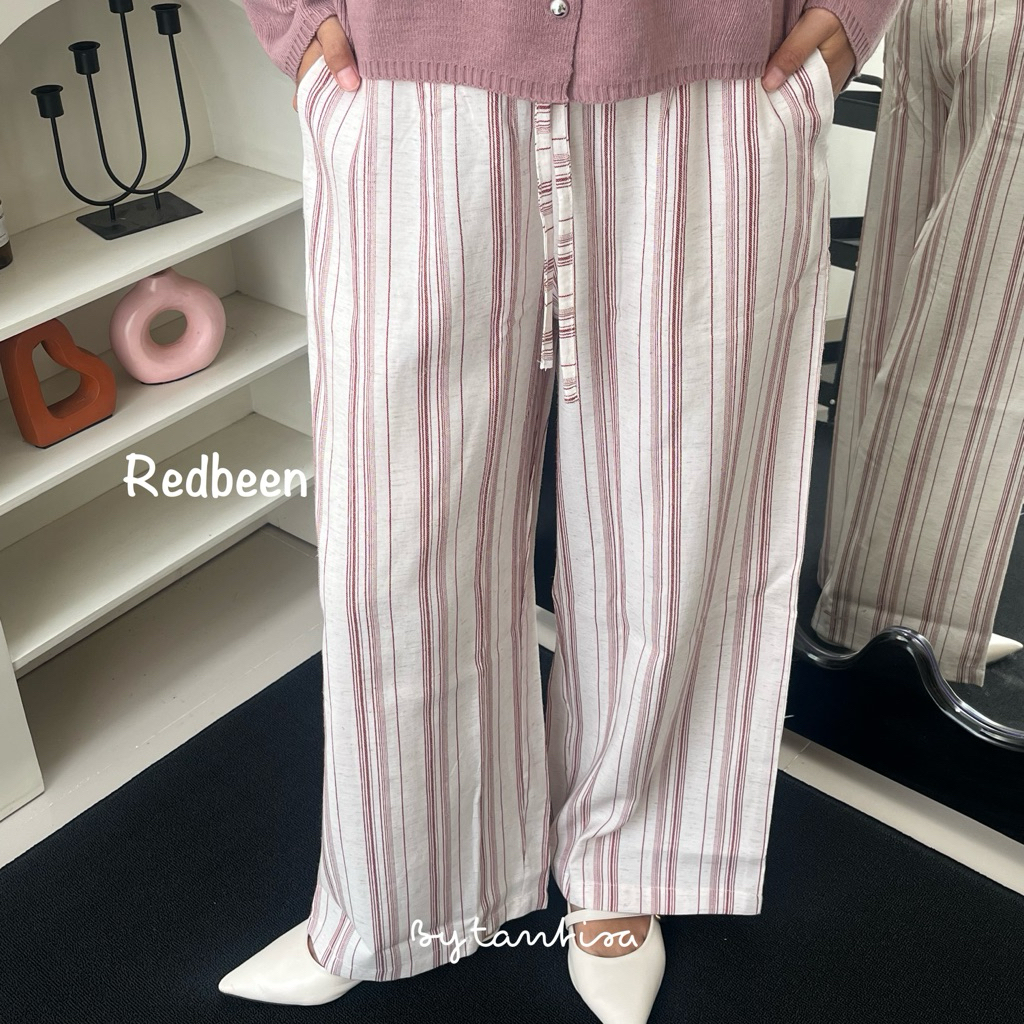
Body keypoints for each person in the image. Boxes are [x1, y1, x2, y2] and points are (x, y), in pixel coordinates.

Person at [221, 3, 902, 1021]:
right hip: (410, 72)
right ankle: (398, 886)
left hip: (705, 72)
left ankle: (622, 861)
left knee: (670, 523)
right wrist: (293, 14)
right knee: (393, 542)